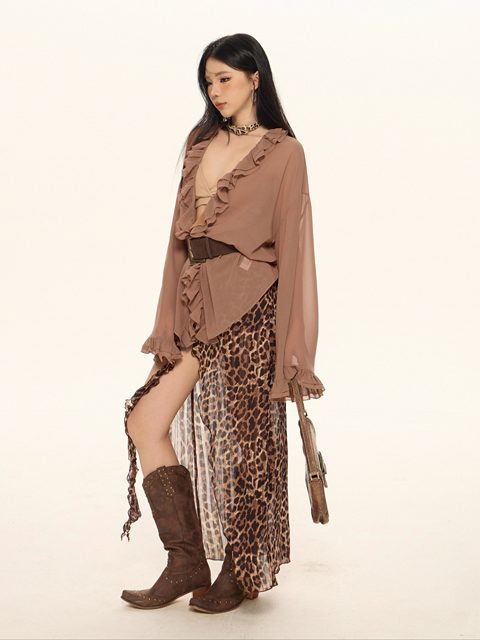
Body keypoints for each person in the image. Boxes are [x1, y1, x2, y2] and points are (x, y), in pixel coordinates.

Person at [119, 32, 325, 614]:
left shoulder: (284, 153)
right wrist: (167, 323)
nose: (215, 90)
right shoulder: (200, 143)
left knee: (246, 445)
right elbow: (177, 243)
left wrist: (294, 354)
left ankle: (240, 565)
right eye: (208, 81)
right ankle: (186, 561)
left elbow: (295, 253)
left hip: (253, 306)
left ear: (255, 78)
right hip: (196, 304)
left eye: (225, 78)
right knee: (145, 420)